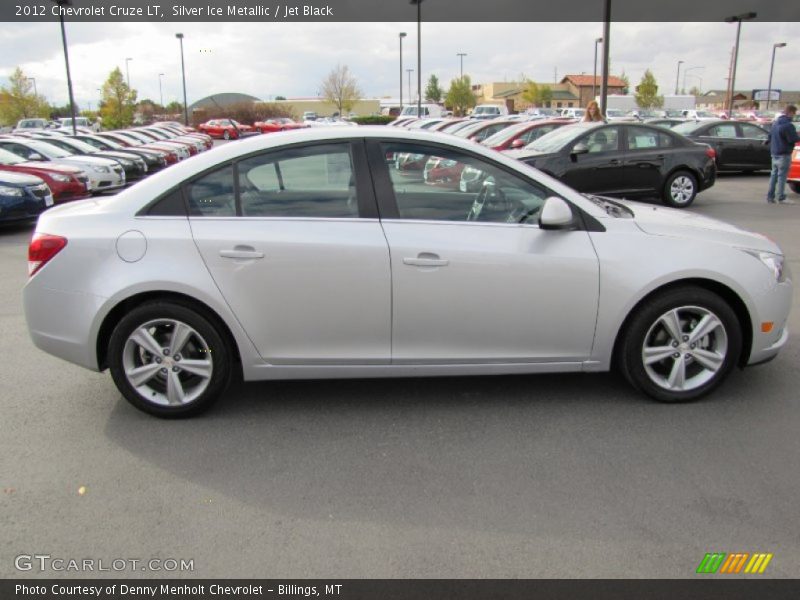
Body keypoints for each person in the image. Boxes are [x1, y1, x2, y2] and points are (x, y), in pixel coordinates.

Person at [766, 104, 799, 204]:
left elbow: (770, 136)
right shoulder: (788, 125)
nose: (793, 116)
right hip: (784, 153)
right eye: (794, 114)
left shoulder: (775, 123)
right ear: (790, 112)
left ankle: (770, 196)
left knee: (774, 176)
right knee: (782, 177)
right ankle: (781, 197)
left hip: (774, 152)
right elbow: (792, 139)